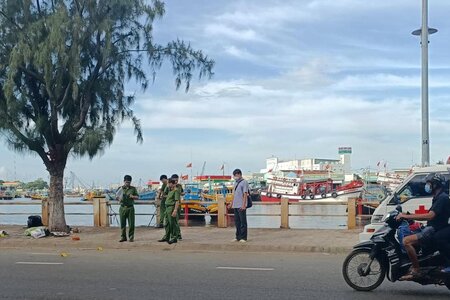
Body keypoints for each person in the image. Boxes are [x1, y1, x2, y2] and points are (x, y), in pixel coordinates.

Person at [396, 173, 450, 280]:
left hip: (434, 230)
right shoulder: (437, 197)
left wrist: (407, 215)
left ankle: (416, 269)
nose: (427, 186)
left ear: (435, 184)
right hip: (432, 228)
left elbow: (430, 216)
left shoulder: (442, 198)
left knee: (407, 241)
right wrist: (410, 216)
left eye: (429, 183)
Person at [228, 169, 249, 243]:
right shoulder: (235, 183)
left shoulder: (244, 182)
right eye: (234, 175)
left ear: (239, 174)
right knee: (237, 222)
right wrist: (231, 203)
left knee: (243, 222)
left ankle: (243, 237)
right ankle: (238, 237)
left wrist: (243, 205)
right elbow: (233, 194)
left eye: (236, 175)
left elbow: (245, 194)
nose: (235, 177)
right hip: (235, 205)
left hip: (241, 205)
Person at [158, 178, 180, 244]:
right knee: (167, 224)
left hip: (171, 208)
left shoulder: (176, 191)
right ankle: (166, 237)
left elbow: (177, 201)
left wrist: (175, 210)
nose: (168, 185)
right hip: (167, 208)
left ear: (172, 184)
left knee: (172, 224)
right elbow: (165, 196)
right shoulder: (170, 191)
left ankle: (174, 237)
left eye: (169, 183)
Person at [117, 175, 139, 242]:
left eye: (129, 182)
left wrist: (133, 196)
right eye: (126, 182)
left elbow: (138, 197)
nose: (127, 184)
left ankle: (131, 237)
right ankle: (123, 237)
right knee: (122, 223)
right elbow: (116, 196)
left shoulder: (133, 189)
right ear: (124, 181)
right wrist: (119, 198)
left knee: (131, 224)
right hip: (122, 207)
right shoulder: (120, 188)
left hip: (130, 208)